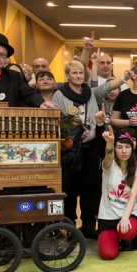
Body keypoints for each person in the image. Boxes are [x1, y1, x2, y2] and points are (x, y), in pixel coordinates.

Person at [52, 60, 124, 238]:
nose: (78, 76)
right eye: (74, 73)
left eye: (81, 73)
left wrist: (124, 78)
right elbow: (56, 118)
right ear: (68, 75)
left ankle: (88, 224)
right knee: (70, 188)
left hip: (90, 147)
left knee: (89, 188)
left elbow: (106, 88)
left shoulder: (89, 92)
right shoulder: (59, 94)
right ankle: (69, 225)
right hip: (71, 148)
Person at [95, 131, 137, 260]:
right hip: (108, 217)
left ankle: (128, 239)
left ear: (132, 148)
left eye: (127, 147)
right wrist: (110, 143)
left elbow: (134, 194)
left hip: (128, 215)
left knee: (126, 231)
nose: (124, 151)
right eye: (120, 147)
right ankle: (116, 239)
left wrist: (125, 217)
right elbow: (108, 155)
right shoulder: (109, 165)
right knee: (108, 255)